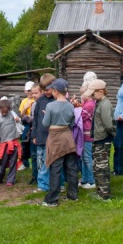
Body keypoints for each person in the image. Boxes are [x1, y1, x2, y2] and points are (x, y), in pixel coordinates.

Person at [40, 79, 79, 207]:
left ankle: (52, 199)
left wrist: (48, 116)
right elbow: (72, 123)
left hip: (56, 138)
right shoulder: (70, 105)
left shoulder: (50, 106)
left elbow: (45, 123)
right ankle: (73, 195)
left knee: (55, 168)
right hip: (68, 137)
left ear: (56, 91)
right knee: (71, 167)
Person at [0, 98, 22, 187]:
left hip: (13, 142)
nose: (4, 114)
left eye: (6, 112)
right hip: (4, 144)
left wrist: (18, 120)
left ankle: (10, 179)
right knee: (2, 161)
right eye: (2, 112)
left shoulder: (12, 114)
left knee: (13, 161)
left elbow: (19, 120)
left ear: (9, 109)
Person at [90, 80, 114, 201]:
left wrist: (112, 134)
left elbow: (108, 124)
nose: (92, 97)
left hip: (103, 140)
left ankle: (105, 194)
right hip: (98, 139)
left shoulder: (105, 104)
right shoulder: (99, 103)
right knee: (96, 167)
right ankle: (99, 191)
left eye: (93, 94)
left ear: (101, 91)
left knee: (102, 167)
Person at [32, 73, 55, 193]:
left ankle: (58, 184)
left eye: (47, 89)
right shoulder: (40, 101)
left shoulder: (57, 100)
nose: (45, 92)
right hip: (41, 136)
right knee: (41, 162)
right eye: (43, 90)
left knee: (54, 162)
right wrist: (34, 135)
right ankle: (43, 185)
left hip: (53, 137)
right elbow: (35, 119)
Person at [79, 80, 96, 189]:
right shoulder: (86, 104)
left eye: (82, 93)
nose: (81, 95)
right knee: (83, 158)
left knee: (87, 158)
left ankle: (92, 180)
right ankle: (85, 179)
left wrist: (77, 107)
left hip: (88, 135)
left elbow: (81, 116)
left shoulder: (89, 105)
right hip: (84, 135)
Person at [18, 81, 35, 173]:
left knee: (33, 144)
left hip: (33, 123)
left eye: (31, 90)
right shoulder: (24, 101)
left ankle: (34, 162)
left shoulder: (36, 100)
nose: (29, 92)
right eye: (28, 90)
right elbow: (21, 114)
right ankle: (25, 163)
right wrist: (25, 107)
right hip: (27, 124)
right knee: (24, 142)